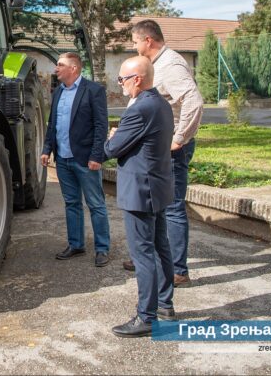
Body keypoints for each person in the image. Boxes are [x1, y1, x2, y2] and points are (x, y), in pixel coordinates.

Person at [128, 19, 204, 287]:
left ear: (148, 40)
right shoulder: (155, 64)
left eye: (135, 41)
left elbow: (193, 101)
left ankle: (178, 270)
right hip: (156, 148)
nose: (134, 46)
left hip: (171, 150)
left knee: (171, 209)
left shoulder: (170, 65)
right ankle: (149, 258)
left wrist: (180, 139)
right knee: (157, 206)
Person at [104, 56, 175, 337]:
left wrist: (115, 135)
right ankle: (165, 304)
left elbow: (111, 150)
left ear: (137, 79)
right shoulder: (161, 104)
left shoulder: (139, 110)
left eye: (122, 79)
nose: (119, 85)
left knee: (143, 253)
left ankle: (146, 316)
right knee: (161, 248)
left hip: (139, 191)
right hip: (157, 187)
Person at [41, 52, 110, 267]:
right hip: (63, 158)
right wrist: (46, 149)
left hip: (85, 159)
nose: (56, 69)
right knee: (71, 203)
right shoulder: (58, 92)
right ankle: (76, 244)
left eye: (60, 65)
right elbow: (52, 124)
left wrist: (96, 156)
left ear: (74, 68)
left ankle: (102, 249)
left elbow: (101, 126)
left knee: (96, 204)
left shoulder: (94, 90)